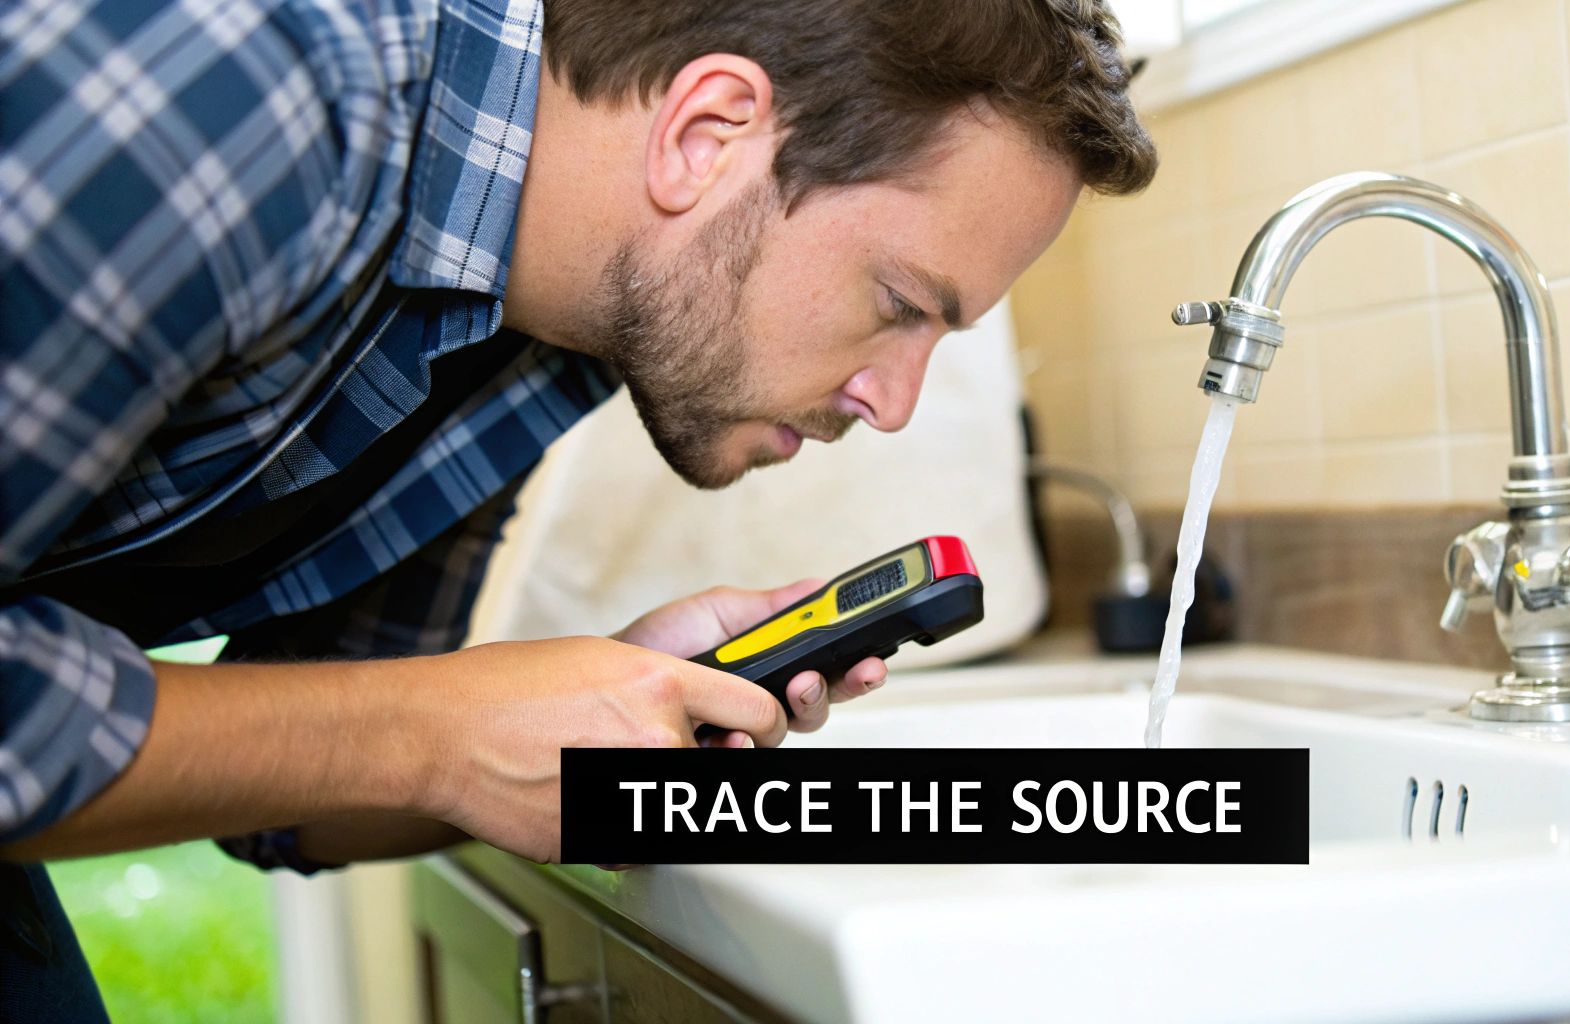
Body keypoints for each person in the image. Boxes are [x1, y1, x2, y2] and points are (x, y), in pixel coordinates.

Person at [0, 0, 1155, 1015]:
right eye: (900, 303)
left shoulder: (544, 332)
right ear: (707, 136)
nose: (893, 403)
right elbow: (379, 733)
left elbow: (289, 783)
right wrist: (433, 729)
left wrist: (590, 720)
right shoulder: (261, 84)